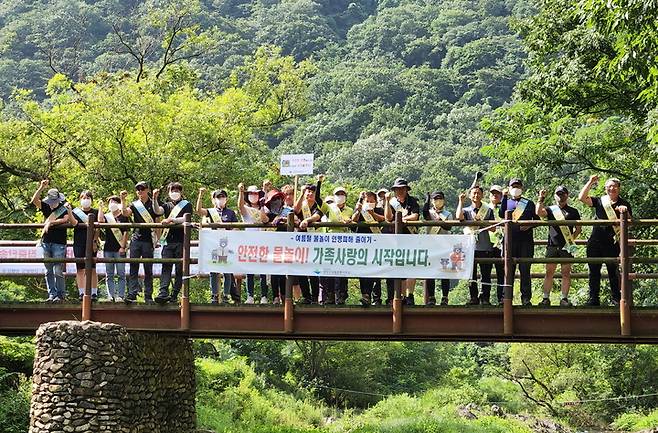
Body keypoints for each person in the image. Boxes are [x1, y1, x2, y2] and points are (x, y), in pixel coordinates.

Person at [578, 175, 632, 306]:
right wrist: (590, 181)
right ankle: (593, 299)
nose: (612, 189)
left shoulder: (624, 204)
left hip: (612, 243)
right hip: (595, 242)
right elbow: (581, 198)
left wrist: (624, 213)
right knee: (593, 271)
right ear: (605, 189)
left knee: (613, 272)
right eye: (609, 186)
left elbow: (630, 222)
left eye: (614, 186)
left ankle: (615, 299)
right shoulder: (600, 201)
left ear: (619, 188)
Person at [536, 186, 581, 307]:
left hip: (567, 245)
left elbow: (578, 228)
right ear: (555, 195)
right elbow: (539, 213)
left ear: (567, 195)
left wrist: (571, 240)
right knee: (549, 272)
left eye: (563, 194)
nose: (561, 196)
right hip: (552, 245)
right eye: (558, 194)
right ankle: (546, 298)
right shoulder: (550, 209)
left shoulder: (573, 211)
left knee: (566, 273)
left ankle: (564, 299)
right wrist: (541, 199)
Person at [121, 181, 163, 304]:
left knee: (148, 268)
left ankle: (148, 296)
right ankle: (132, 294)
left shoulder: (154, 203)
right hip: (136, 239)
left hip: (148, 240)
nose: (140, 191)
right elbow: (125, 213)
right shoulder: (134, 204)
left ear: (147, 190)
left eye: (142, 189)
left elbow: (158, 221)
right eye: (138, 189)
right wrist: (122, 200)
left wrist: (157, 240)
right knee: (133, 267)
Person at [196, 187, 239, 304]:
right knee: (213, 270)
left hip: (227, 244)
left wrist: (231, 233)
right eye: (218, 197)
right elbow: (199, 210)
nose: (221, 199)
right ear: (214, 199)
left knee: (227, 270)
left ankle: (226, 295)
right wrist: (200, 195)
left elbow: (236, 227)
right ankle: (214, 295)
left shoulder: (231, 212)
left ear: (226, 199)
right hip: (213, 245)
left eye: (223, 197)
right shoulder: (211, 211)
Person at [499, 178, 538, 306]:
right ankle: (506, 298)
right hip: (509, 241)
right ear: (509, 188)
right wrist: (504, 197)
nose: (516, 188)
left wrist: (529, 226)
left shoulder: (529, 203)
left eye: (518, 186)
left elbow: (537, 220)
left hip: (525, 241)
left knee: (525, 269)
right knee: (508, 270)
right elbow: (501, 214)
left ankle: (526, 298)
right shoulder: (507, 202)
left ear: (522, 188)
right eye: (513, 186)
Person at [31, 180, 71, 303]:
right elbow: (34, 200)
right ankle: (52, 294)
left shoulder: (64, 207)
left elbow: (66, 219)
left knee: (58, 270)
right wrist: (41, 187)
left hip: (59, 242)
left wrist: (51, 222)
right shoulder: (45, 206)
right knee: (48, 270)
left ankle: (61, 295)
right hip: (46, 241)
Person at [154, 182, 193, 304]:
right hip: (167, 241)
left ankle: (175, 294)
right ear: (169, 192)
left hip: (182, 241)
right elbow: (157, 211)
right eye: (173, 190)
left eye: (177, 190)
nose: (175, 192)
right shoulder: (166, 205)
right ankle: (163, 293)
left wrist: (172, 219)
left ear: (181, 192)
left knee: (179, 269)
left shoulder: (187, 205)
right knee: (166, 267)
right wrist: (154, 198)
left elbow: (186, 218)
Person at [317, 176, 354, 304]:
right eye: (338, 194)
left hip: (343, 243)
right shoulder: (329, 208)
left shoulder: (349, 210)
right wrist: (319, 183)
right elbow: (317, 199)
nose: (340, 196)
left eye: (342, 194)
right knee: (329, 270)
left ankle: (341, 296)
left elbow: (351, 221)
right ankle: (330, 296)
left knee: (342, 271)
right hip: (329, 242)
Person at [456, 186, 495, 305]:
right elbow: (459, 217)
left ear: (482, 195)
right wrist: (460, 202)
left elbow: (493, 228)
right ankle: (473, 297)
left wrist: (481, 222)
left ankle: (485, 297)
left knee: (486, 274)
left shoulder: (488, 210)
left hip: (485, 246)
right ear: (470, 195)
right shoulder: (466, 210)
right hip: (470, 247)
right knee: (470, 274)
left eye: (478, 193)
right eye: (474, 193)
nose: (476, 195)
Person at [384, 177, 420, 305]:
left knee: (411, 267)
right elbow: (388, 218)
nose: (399, 191)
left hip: (410, 237)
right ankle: (400, 296)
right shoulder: (392, 202)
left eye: (402, 188)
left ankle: (410, 295)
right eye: (397, 189)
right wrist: (387, 202)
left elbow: (415, 216)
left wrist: (404, 220)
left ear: (406, 189)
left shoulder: (413, 201)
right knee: (399, 268)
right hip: (396, 240)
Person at [352, 191, 386, 306]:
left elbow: (383, 218)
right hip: (361, 245)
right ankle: (364, 294)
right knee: (362, 269)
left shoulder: (379, 210)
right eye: (367, 201)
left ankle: (370, 295)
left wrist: (372, 214)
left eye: (372, 201)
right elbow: (354, 220)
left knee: (373, 270)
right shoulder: (360, 210)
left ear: (376, 202)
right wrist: (358, 209)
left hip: (375, 245)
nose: (370, 203)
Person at [293, 181, 324, 304]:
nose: (310, 193)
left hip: (314, 242)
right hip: (301, 242)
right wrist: (301, 194)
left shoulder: (319, 204)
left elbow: (317, 216)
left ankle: (315, 297)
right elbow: (295, 210)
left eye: (312, 192)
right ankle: (306, 297)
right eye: (308, 191)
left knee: (314, 271)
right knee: (301, 270)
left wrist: (307, 220)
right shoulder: (303, 204)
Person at [238, 183, 269, 304]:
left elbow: (265, 219)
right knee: (249, 271)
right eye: (251, 193)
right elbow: (239, 206)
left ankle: (264, 296)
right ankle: (250, 296)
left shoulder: (264, 208)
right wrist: (240, 192)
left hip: (263, 242)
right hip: (249, 243)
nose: (253, 196)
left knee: (263, 272)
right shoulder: (246, 209)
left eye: (256, 193)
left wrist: (262, 205)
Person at [70, 190, 101, 301]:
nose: (85, 200)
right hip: (78, 243)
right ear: (80, 200)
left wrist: (94, 241)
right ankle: (81, 292)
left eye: (88, 198)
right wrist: (69, 211)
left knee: (92, 268)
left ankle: (93, 293)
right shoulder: (75, 212)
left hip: (91, 243)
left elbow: (98, 228)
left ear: (92, 200)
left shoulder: (96, 212)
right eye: (83, 198)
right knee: (80, 269)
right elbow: (74, 223)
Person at [422, 191, 452, 305]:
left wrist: (440, 221)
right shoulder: (429, 213)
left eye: (440, 198)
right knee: (431, 272)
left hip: (445, 247)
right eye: (435, 199)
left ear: (444, 200)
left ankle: (445, 297)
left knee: (445, 272)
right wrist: (427, 200)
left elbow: (449, 226)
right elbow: (425, 214)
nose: (438, 201)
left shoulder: (448, 214)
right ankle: (431, 297)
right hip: (431, 247)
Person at [99, 195, 129, 302]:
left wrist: (123, 247)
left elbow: (126, 233)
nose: (112, 203)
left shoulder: (124, 216)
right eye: (110, 202)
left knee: (121, 273)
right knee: (109, 274)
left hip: (119, 248)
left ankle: (121, 296)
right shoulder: (107, 217)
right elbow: (100, 220)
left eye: (114, 201)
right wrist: (101, 208)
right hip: (108, 248)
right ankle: (110, 296)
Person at [263, 189, 288, 303]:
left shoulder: (287, 211)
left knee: (283, 273)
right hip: (272, 247)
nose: (276, 201)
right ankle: (275, 297)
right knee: (274, 272)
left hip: (286, 247)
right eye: (273, 199)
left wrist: (282, 218)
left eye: (278, 198)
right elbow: (263, 219)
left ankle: (284, 295)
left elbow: (296, 219)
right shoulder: (268, 214)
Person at [488, 185, 505, 304]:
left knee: (501, 273)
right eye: (493, 193)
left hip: (502, 244)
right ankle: (485, 298)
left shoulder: (505, 208)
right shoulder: (484, 208)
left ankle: (502, 298)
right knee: (486, 272)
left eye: (497, 193)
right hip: (487, 244)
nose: (495, 195)